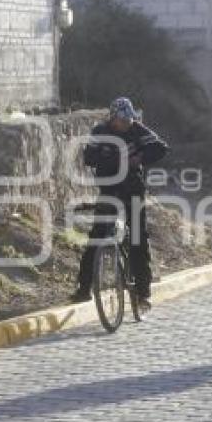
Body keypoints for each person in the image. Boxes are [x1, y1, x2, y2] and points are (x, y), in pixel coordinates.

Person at [71, 97, 169, 313]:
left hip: (133, 190)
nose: (126, 123)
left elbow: (161, 147)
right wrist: (116, 160)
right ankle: (83, 288)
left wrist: (141, 157)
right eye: (122, 120)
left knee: (138, 239)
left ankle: (143, 293)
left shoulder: (138, 130)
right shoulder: (100, 132)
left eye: (129, 119)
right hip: (109, 189)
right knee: (96, 237)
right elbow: (89, 157)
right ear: (113, 118)